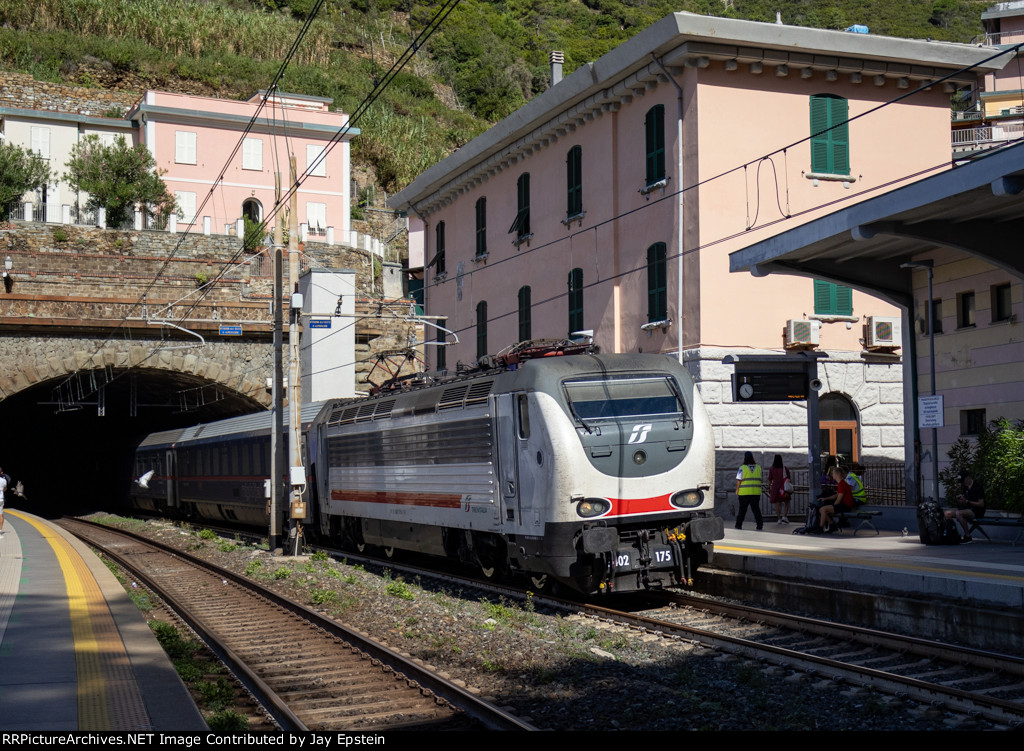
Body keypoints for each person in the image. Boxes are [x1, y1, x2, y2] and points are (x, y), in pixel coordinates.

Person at [946, 471, 985, 542]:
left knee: (959, 513)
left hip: (976, 511)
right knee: (947, 513)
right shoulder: (965, 487)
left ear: (968, 478)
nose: (962, 483)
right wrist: (960, 499)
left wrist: (967, 501)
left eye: (963, 481)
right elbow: (965, 500)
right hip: (967, 508)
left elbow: (981, 504)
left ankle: (968, 536)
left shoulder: (977, 487)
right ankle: (953, 534)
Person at [818, 466, 854, 532]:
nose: (832, 475)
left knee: (823, 509)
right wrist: (825, 499)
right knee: (823, 510)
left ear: (837, 474)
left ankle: (821, 528)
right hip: (844, 505)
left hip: (845, 506)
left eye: (833, 473)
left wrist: (833, 507)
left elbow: (838, 499)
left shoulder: (841, 484)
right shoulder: (842, 483)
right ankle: (832, 525)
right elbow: (836, 495)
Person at [735, 451, 764, 531]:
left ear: (745, 458)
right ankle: (759, 525)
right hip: (756, 492)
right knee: (756, 509)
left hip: (744, 493)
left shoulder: (742, 468)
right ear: (752, 458)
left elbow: (739, 480)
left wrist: (737, 490)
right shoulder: (758, 467)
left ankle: (738, 525)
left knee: (742, 510)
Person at [767, 454, 792, 524]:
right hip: (784, 488)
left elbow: (770, 479)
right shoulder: (785, 468)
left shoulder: (771, 469)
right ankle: (784, 516)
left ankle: (779, 519)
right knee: (787, 500)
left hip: (775, 488)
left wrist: (768, 487)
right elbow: (788, 478)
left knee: (777, 503)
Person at [0, 465, 7, 538]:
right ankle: (0, 532)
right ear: (1, 473)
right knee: (1, 515)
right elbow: (5, 490)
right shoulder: (4, 480)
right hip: (1, 499)